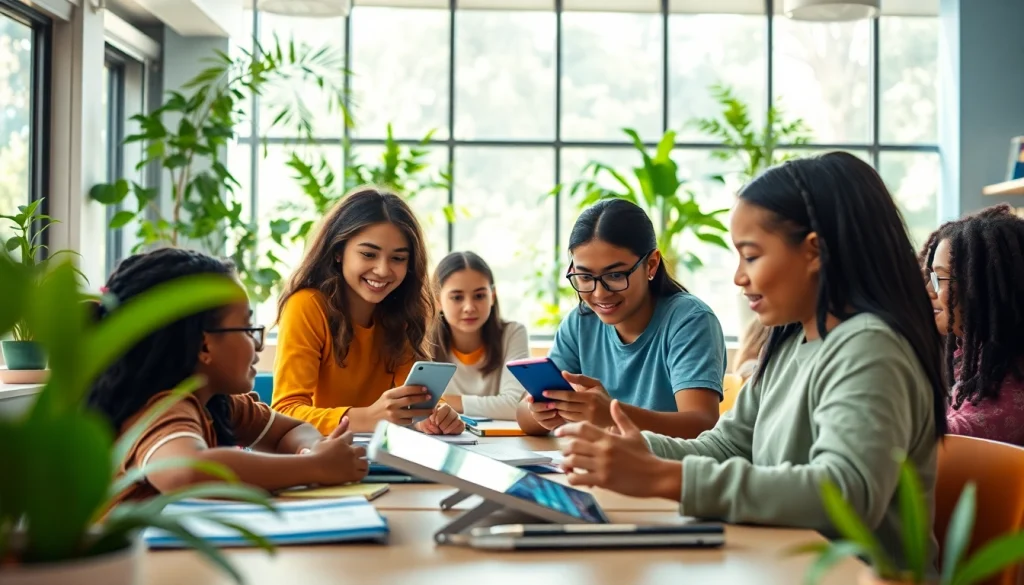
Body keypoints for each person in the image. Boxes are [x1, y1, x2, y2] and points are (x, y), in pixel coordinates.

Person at [555, 152, 946, 572]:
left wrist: (661, 477)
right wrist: (638, 450)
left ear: (814, 252)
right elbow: (726, 446)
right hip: (784, 564)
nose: (739, 277)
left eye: (752, 255)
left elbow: (845, 493)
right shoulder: (792, 340)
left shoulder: (869, 348)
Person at [86, 248, 368, 506]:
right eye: (246, 328)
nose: (257, 343)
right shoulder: (162, 408)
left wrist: (314, 450)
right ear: (204, 345)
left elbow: (290, 430)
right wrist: (314, 468)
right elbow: (184, 472)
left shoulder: (218, 401)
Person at [516, 198, 727, 438]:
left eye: (615, 275)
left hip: (667, 470)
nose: (599, 293)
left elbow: (701, 425)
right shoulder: (580, 323)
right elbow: (524, 415)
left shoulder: (689, 321)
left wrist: (613, 414)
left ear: (651, 264)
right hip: (601, 466)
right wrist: (540, 411)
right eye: (585, 277)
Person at [272, 188, 464, 436]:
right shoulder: (306, 305)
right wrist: (367, 417)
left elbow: (414, 402)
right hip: (318, 457)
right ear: (338, 252)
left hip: (377, 456)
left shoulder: (399, 313)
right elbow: (285, 412)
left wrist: (433, 415)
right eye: (368, 254)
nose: (383, 270)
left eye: (397, 258)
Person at [920, 204, 1024, 446]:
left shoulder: (1011, 386)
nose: (928, 290)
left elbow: (947, 440)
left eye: (940, 278)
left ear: (982, 289)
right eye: (931, 278)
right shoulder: (976, 355)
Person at [428, 251, 530, 420]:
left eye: (479, 296)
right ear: (437, 300)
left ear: (492, 296)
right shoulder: (424, 340)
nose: (469, 307)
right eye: (457, 297)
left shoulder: (513, 333)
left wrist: (447, 402)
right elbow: (415, 408)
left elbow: (516, 406)